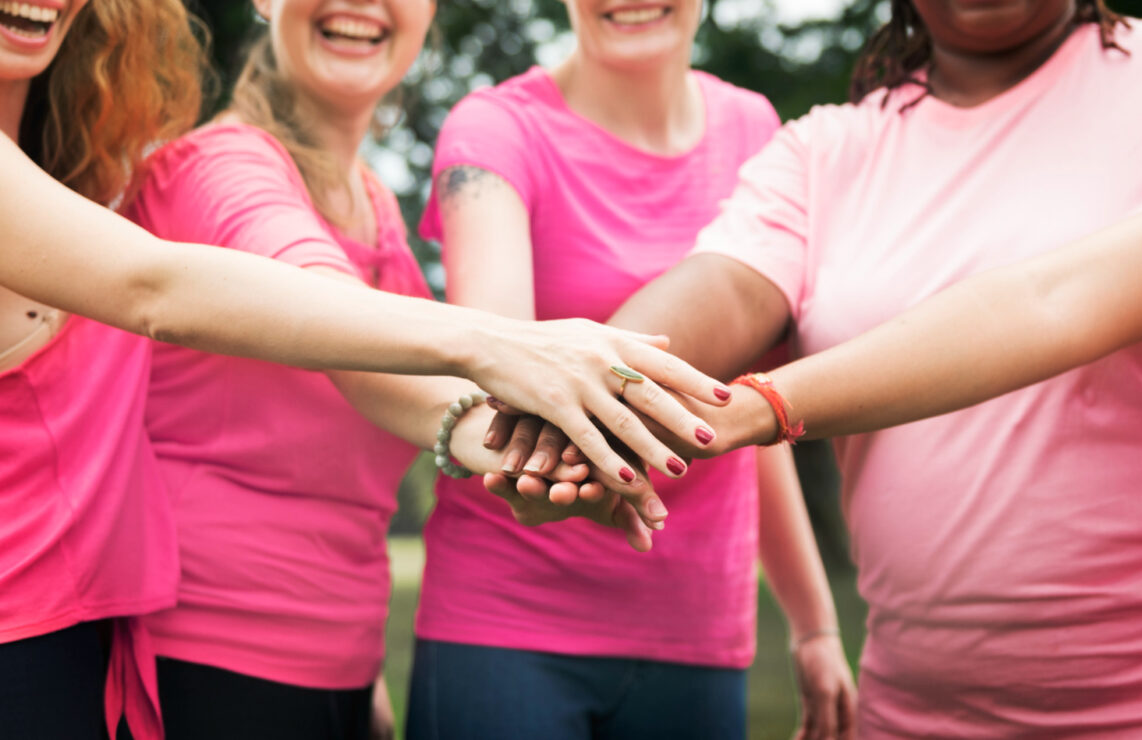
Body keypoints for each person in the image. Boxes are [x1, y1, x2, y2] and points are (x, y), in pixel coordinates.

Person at [0, 1, 728, 737]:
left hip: (326, 662)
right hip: (209, 661)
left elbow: (379, 398)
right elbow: (307, 317)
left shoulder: (375, 202)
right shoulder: (221, 166)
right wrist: (502, 358)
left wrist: (529, 448)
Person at [540, 0, 1142, 735]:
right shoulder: (828, 149)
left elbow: (1051, 304)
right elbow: (726, 286)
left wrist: (762, 405)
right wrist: (568, 402)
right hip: (909, 711)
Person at [409, 1, 856, 738]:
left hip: (697, 627)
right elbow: (498, 371)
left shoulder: (755, 129)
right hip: (505, 623)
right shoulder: (493, 131)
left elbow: (739, 407)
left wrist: (813, 624)